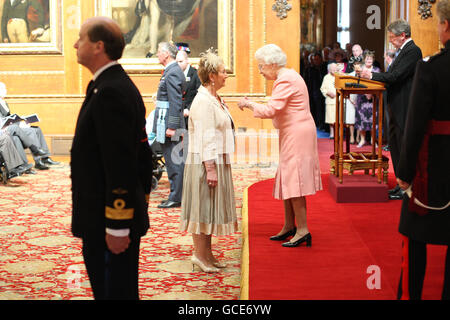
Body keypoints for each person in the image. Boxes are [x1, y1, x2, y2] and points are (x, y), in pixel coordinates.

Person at [71, 16, 153, 300]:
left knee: (114, 293)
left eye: (80, 39)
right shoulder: (106, 84)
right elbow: (142, 155)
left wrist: (118, 224)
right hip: (108, 216)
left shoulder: (110, 91)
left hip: (108, 221)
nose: (75, 44)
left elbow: (121, 163)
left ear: (98, 46)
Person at [238, 44, 322, 248]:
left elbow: (272, 110)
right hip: (294, 131)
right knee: (288, 177)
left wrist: (249, 105)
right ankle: (289, 226)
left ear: (273, 64)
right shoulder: (287, 76)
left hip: (297, 133)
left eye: (261, 65)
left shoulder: (284, 79)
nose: (259, 70)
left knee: (295, 180)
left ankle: (302, 230)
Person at [395, 0, 450, 300]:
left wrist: (404, 173)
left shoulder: (430, 68)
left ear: (444, 25)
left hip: (433, 167)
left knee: (416, 235)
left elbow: (414, 126)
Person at [180, 49, 237, 272]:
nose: (226, 75)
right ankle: (199, 256)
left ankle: (207, 254)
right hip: (205, 162)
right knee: (202, 208)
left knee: (209, 208)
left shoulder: (213, 98)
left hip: (214, 158)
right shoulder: (203, 101)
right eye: (223, 72)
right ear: (212, 76)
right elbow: (205, 137)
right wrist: (211, 168)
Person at [361, 19, 422, 200]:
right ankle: (400, 183)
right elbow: (391, 75)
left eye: (392, 37)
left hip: (404, 105)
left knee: (403, 146)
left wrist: (371, 75)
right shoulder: (402, 51)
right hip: (395, 105)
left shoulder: (413, 51)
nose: (391, 41)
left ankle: (407, 186)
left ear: (403, 35)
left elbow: (395, 76)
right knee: (395, 146)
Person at [152, 41, 186, 209]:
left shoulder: (172, 72)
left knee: (174, 161)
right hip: (168, 121)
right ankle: (176, 194)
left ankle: (177, 197)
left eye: (159, 51)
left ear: (166, 54)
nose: (157, 54)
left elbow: (175, 102)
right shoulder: (171, 71)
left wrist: (171, 126)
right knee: (174, 160)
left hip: (170, 124)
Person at [0, 82, 58, 170]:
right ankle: (37, 158)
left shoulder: (4, 102)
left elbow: (8, 117)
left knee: (36, 129)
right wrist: (18, 123)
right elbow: (2, 121)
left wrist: (20, 119)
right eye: (3, 89)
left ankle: (45, 157)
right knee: (29, 131)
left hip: (9, 127)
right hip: (4, 129)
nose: (6, 91)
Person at [354, 51, 380, 148]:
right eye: (367, 58)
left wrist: (371, 93)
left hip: (373, 98)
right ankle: (362, 140)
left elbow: (379, 82)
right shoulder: (359, 70)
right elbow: (356, 83)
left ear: (373, 60)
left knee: (373, 120)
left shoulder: (377, 70)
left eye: (371, 58)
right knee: (362, 119)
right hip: (362, 98)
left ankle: (374, 140)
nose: (369, 60)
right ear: (364, 60)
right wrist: (365, 92)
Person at [176, 45, 201, 129]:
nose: (178, 64)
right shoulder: (174, 74)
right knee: (178, 141)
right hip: (178, 116)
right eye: (176, 62)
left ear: (187, 61)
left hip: (192, 116)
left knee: (190, 140)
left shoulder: (196, 74)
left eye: (180, 61)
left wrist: (189, 109)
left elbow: (200, 94)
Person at [320, 62, 338, 139]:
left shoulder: (339, 76)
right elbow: (322, 88)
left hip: (338, 100)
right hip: (330, 100)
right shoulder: (326, 77)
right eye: (331, 68)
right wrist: (328, 93)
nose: (333, 69)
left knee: (338, 119)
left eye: (335, 68)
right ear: (329, 69)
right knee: (331, 119)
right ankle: (332, 134)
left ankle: (338, 134)